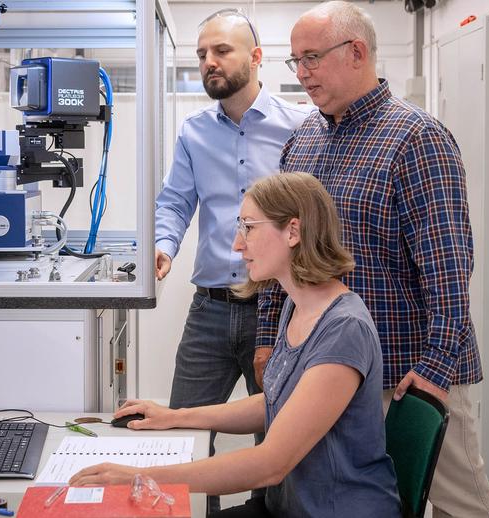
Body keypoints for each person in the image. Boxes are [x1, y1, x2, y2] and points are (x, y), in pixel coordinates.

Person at [255, 3, 489, 517]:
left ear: (357, 52)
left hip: (410, 375)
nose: (301, 73)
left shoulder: (416, 139)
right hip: (327, 375)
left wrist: (433, 371)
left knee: (459, 504)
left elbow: (450, 271)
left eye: (312, 58)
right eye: (295, 60)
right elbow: (280, 254)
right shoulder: (302, 142)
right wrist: (265, 340)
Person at [71, 173, 401, 518]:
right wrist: (175, 416)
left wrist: (137, 478)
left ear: (292, 231)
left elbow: (270, 464)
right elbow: (273, 403)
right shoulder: (299, 306)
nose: (237, 244)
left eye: (248, 228)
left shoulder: (343, 328)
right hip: (286, 507)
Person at [154, 8, 311, 513]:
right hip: (211, 310)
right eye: (202, 54)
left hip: (280, 308)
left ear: (256, 57)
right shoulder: (194, 131)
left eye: (221, 51)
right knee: (181, 426)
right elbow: (176, 201)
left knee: (279, 432)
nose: (209, 62)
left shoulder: (301, 127)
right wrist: (164, 244)